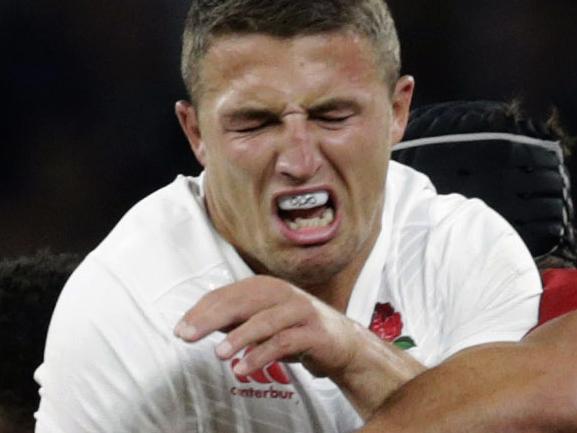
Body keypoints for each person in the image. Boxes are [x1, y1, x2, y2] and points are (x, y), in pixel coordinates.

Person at [35, 1, 545, 432]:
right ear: (195, 134)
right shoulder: (126, 303)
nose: (300, 161)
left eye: (333, 116)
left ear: (397, 111)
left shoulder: (466, 252)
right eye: (254, 124)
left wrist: (352, 354)